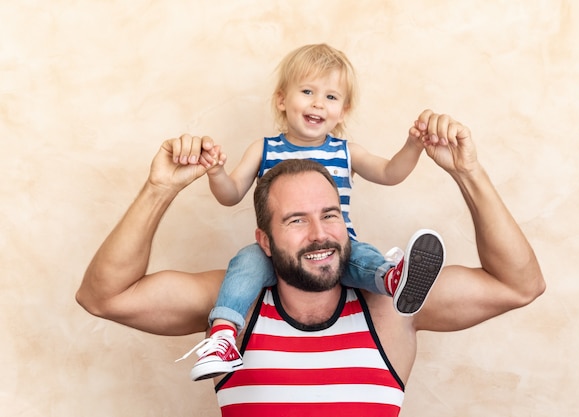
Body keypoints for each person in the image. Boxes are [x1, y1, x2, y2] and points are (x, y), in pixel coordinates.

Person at [76, 109, 545, 417]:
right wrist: (160, 189)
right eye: (296, 220)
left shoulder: (391, 308)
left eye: (330, 215)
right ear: (264, 240)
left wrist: (468, 172)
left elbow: (518, 285)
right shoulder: (234, 303)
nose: (320, 233)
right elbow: (104, 296)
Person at [174, 43, 445, 381]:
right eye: (307, 91)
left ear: (342, 111)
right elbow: (230, 195)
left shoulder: (346, 152)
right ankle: (223, 337)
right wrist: (215, 172)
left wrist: (414, 145)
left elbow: (390, 173)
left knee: (360, 257)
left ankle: (392, 279)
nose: (319, 103)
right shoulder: (264, 148)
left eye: (331, 97)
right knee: (244, 263)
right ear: (282, 100)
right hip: (278, 254)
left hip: (335, 253)